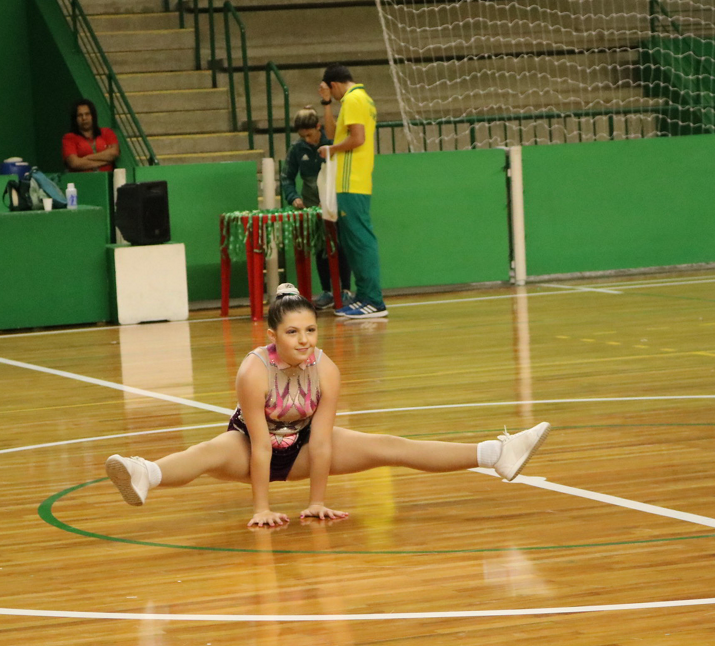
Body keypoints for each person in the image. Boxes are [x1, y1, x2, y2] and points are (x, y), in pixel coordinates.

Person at [105, 283, 550, 528]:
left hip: (302, 448)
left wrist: (317, 501)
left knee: (389, 445)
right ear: (272, 337)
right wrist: (261, 507)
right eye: (292, 332)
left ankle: (496, 453)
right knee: (206, 452)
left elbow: (320, 443)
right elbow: (260, 446)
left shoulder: (326, 370)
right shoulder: (253, 372)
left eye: (310, 331)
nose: (304, 340)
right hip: (249, 449)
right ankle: (145, 473)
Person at [317, 64, 386, 320]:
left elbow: (357, 138)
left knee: (360, 240)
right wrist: (326, 104)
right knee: (353, 241)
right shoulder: (359, 99)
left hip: (351, 182)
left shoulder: (354, 99)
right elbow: (333, 134)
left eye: (331, 92)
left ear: (334, 85)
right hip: (352, 182)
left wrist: (332, 150)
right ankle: (364, 295)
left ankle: (374, 300)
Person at [280, 106, 352, 310]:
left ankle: (346, 290)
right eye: (303, 136)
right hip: (312, 207)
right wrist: (293, 197)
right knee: (321, 248)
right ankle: (327, 291)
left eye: (310, 135)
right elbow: (286, 178)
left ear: (318, 127)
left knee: (340, 245)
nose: (307, 139)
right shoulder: (297, 149)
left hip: (335, 203)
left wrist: (330, 198)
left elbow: (342, 171)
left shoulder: (333, 142)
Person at [63, 98, 119, 173]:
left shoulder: (107, 132)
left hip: (106, 177)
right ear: (75, 119)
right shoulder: (69, 138)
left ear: (93, 116)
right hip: (83, 178)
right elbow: (74, 163)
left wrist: (85, 158)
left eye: (87, 114)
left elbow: (114, 153)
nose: (84, 118)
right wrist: (106, 160)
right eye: (80, 115)